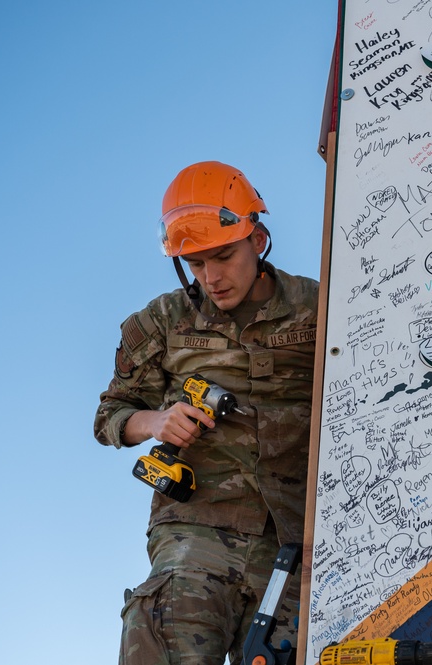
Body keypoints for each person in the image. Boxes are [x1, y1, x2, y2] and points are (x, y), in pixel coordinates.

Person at [94, 161, 319, 665]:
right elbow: (110, 416)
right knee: (160, 639)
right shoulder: (162, 322)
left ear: (257, 241)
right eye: (195, 264)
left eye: (223, 256)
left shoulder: (321, 307)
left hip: (300, 541)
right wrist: (156, 420)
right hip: (196, 531)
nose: (212, 278)